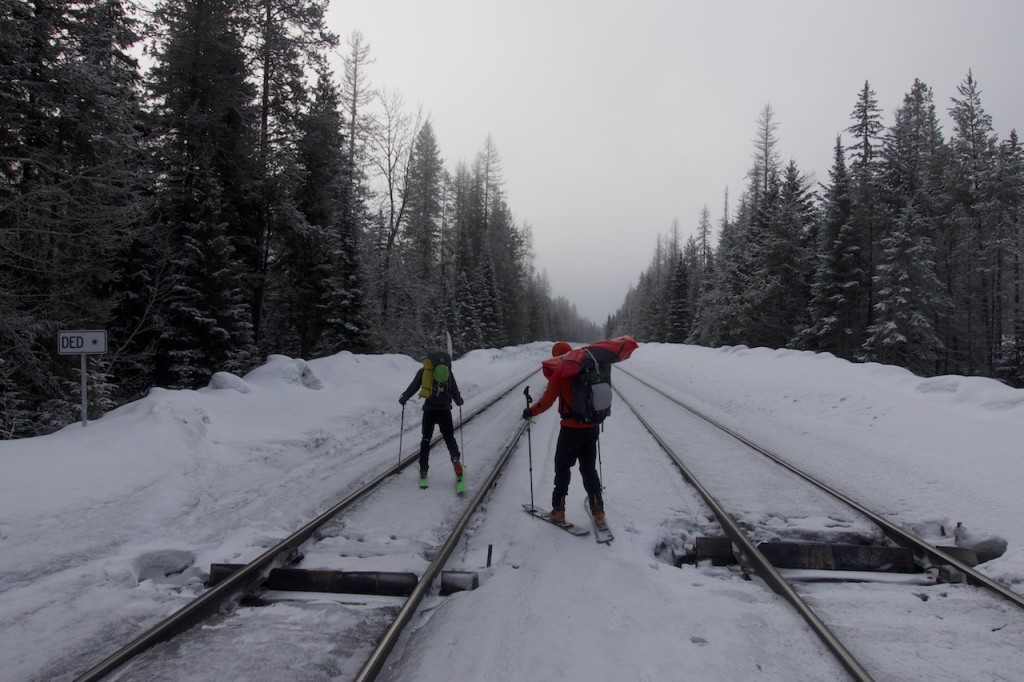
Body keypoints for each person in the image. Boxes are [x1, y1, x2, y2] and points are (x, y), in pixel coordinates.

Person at [522, 341, 605, 524]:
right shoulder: (587, 369)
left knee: (562, 467)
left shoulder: (560, 373)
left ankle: (558, 510)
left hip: (571, 431)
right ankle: (598, 510)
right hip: (591, 428)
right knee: (588, 469)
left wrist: (531, 411)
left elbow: (547, 400)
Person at [400, 354, 464, 482]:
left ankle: (423, 468)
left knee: (426, 439)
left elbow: (414, 386)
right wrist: (458, 400)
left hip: (429, 410)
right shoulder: (448, 371)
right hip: (445, 410)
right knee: (449, 437)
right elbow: (454, 389)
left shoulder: (425, 371)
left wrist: (404, 398)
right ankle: (455, 459)